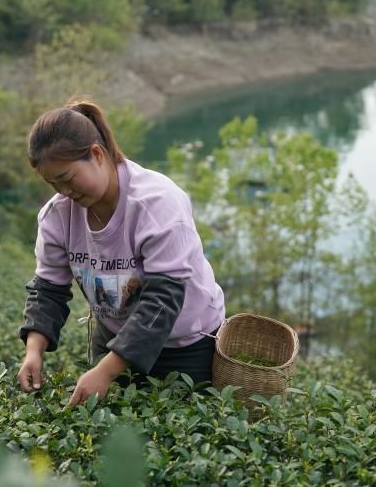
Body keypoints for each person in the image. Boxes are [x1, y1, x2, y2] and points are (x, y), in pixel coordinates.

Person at [18, 98, 225, 407]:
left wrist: (105, 371)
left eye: (67, 178)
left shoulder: (156, 204)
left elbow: (163, 299)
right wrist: (33, 351)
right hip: (115, 341)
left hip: (185, 348)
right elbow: (48, 288)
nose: (64, 192)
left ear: (97, 154)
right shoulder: (58, 215)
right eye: (53, 184)